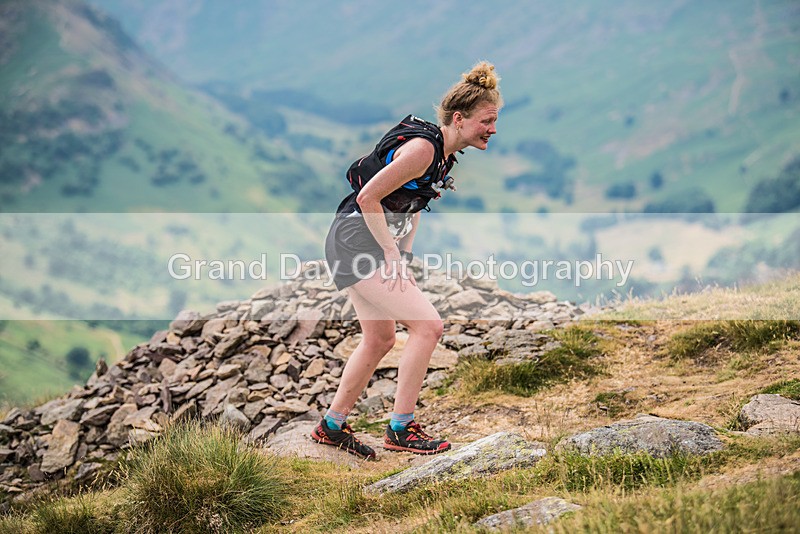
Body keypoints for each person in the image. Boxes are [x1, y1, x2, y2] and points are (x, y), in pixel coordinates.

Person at [311, 61, 503, 460]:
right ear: (458, 118)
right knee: (429, 326)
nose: (493, 129)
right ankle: (401, 428)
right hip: (355, 242)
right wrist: (391, 254)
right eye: (487, 120)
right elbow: (368, 198)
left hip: (358, 241)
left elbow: (414, 202)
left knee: (380, 339)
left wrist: (406, 254)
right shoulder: (423, 149)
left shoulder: (443, 156)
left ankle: (331, 425)